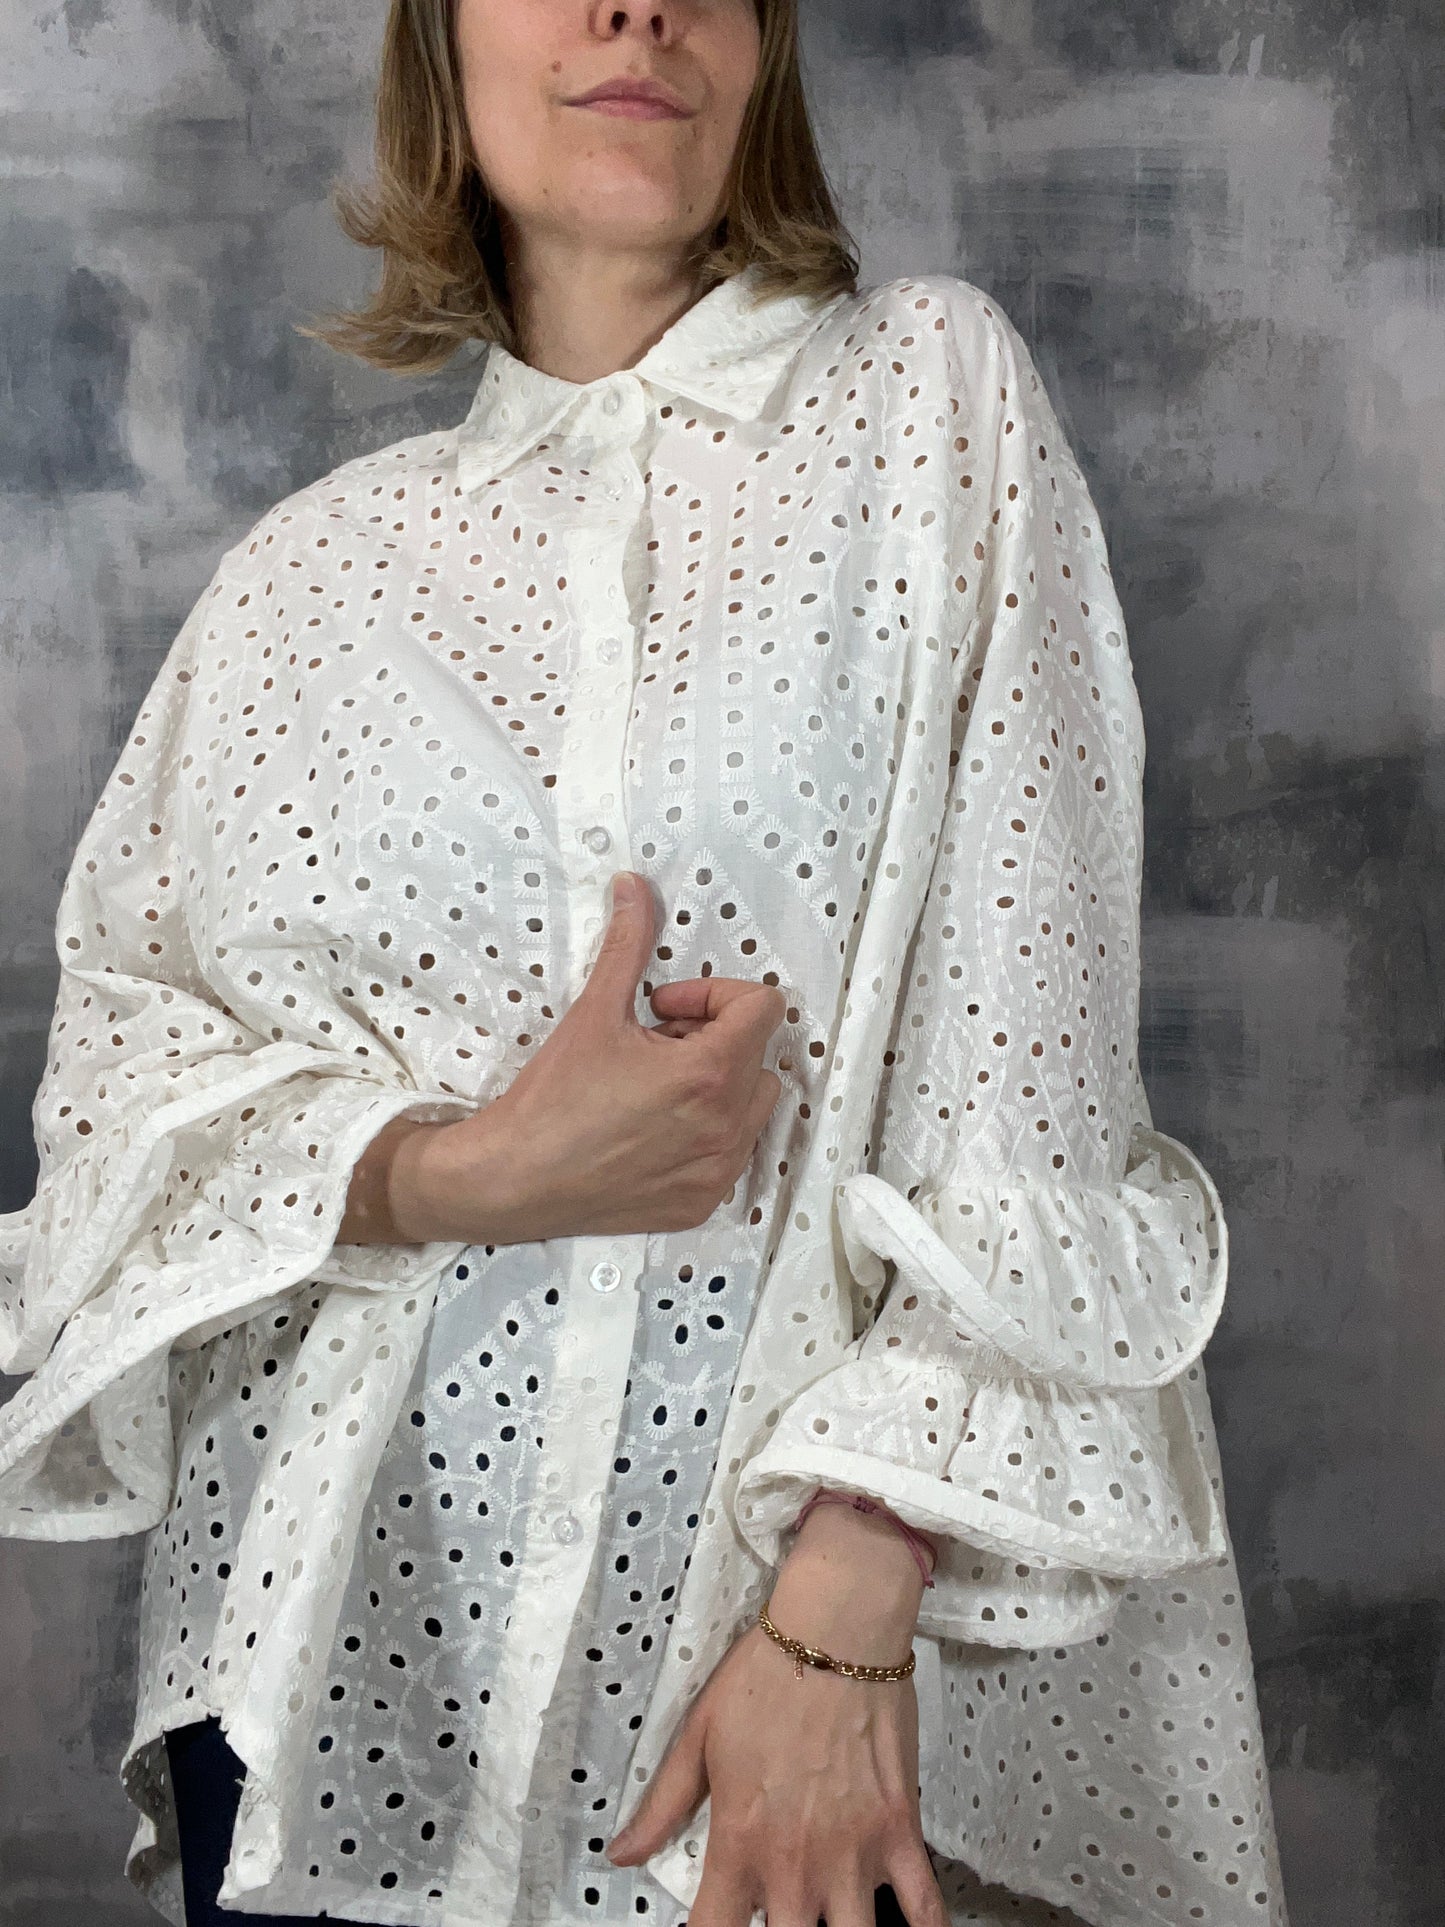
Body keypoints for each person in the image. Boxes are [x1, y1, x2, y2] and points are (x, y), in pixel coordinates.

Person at [0, 2, 1290, 1926]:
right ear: (439, 47)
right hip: (329, 1695)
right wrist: (460, 1171)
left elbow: (1026, 1093)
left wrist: (844, 1611)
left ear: (762, 54)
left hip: (781, 1706)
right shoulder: (303, 578)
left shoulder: (927, 402)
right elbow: (118, 1102)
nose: (634, 7)